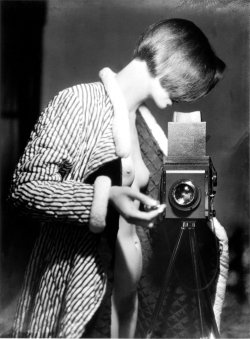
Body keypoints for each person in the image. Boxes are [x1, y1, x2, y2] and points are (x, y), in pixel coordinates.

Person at [9, 18, 227, 338]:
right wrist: (104, 199)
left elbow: (172, 208)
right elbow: (25, 189)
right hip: (87, 293)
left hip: (132, 300)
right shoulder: (79, 102)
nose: (190, 97)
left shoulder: (142, 124)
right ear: (175, 63)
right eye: (192, 84)